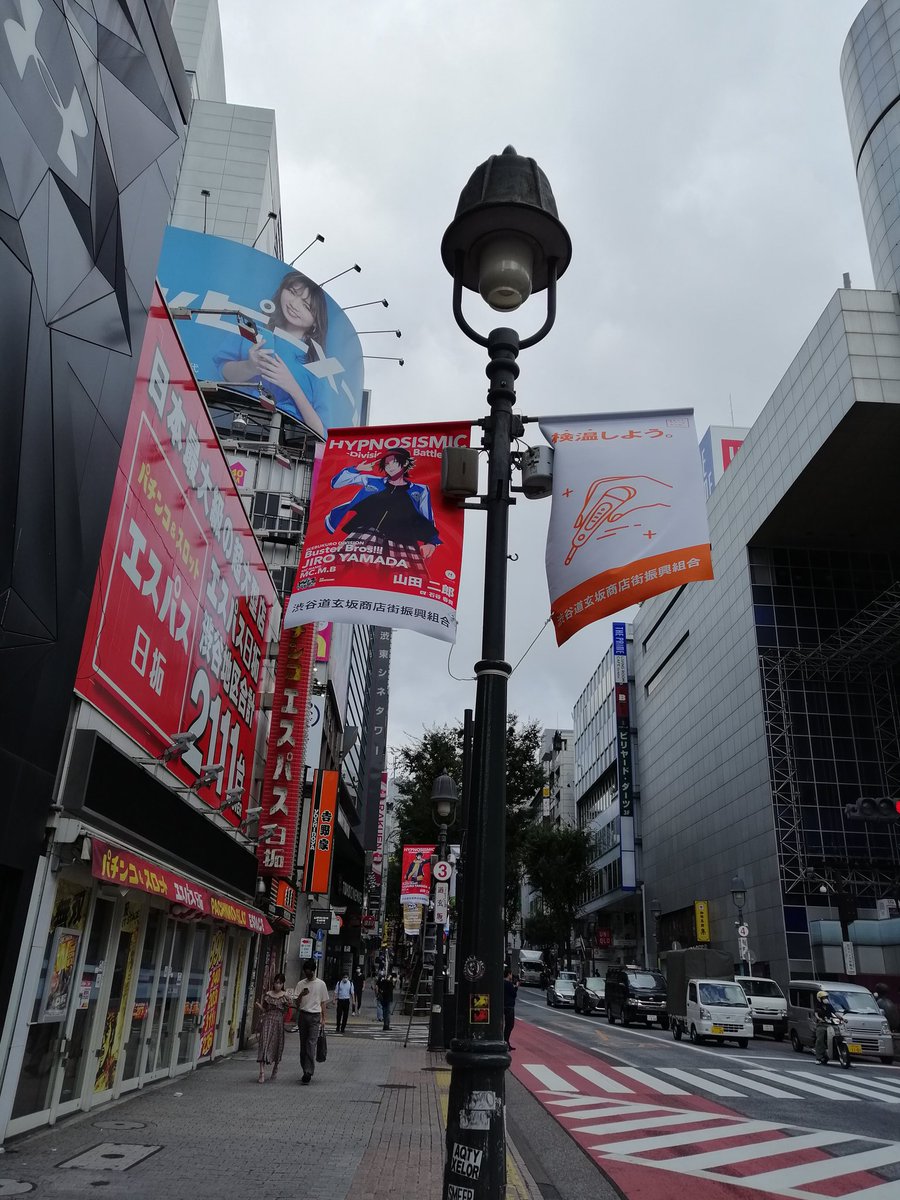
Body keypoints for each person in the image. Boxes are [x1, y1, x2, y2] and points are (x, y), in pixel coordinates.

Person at [216, 271, 343, 437]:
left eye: (306, 306)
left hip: (284, 443)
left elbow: (322, 432)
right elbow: (221, 371)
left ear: (316, 322)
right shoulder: (254, 329)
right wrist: (249, 367)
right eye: (292, 292)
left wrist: (293, 388)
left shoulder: (317, 365)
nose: (294, 305)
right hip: (226, 420)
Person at [325, 450, 441, 576]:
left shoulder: (420, 490)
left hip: (402, 540)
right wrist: (357, 469)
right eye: (386, 464)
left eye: (394, 462)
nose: (390, 467)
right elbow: (336, 483)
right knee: (345, 569)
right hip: (366, 533)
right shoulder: (372, 481)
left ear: (405, 463)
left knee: (405, 578)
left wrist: (431, 542)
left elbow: (427, 517)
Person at [294, 961, 329, 1083]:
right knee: (303, 1045)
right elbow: (296, 1003)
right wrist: (301, 995)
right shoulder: (300, 984)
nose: (308, 975)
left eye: (310, 973)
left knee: (311, 1044)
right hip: (303, 1015)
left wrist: (324, 1018)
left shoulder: (321, 984)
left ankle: (308, 1071)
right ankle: (305, 1069)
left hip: (315, 1016)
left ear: (314, 971)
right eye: (306, 973)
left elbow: (323, 1002)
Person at [254, 973, 290, 1083]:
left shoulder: (285, 996)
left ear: (283, 984)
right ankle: (262, 1072)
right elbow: (265, 1009)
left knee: (276, 1045)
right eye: (276, 982)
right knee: (263, 1044)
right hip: (267, 1021)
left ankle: (275, 1067)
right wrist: (259, 1006)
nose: (277, 985)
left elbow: (287, 1011)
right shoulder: (268, 994)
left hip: (278, 1023)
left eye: (280, 983)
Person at [814, 988, 838, 1064]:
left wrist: (842, 1019)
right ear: (820, 999)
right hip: (821, 1024)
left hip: (830, 1024)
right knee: (819, 1039)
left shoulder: (829, 1006)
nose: (825, 999)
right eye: (823, 998)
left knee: (838, 1034)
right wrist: (820, 1019)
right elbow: (816, 1014)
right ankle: (818, 1058)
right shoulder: (818, 1006)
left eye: (826, 997)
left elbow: (835, 1013)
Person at [504, 968, 519, 1050]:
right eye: (511, 974)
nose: (511, 976)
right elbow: (514, 994)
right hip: (509, 1006)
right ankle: (506, 1041)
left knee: (506, 1025)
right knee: (510, 1025)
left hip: (503, 1005)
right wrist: (516, 987)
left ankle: (506, 1041)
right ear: (508, 974)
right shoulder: (509, 984)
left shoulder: (502, 983)